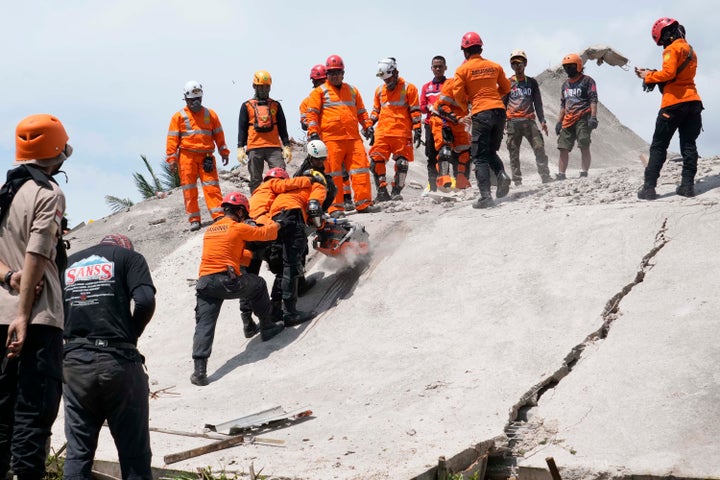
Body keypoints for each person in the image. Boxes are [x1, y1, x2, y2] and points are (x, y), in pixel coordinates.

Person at [0, 114, 70, 480]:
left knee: (2, 415)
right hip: (36, 321)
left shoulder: (6, 193)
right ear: (56, 153)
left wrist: (9, 279)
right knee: (33, 415)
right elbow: (37, 254)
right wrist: (24, 314)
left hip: (0, 314)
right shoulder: (48, 194)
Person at [61, 234, 156, 480]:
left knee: (78, 452)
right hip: (118, 362)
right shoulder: (130, 258)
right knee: (134, 452)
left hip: (73, 365)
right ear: (125, 248)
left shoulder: (68, 263)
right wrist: (130, 336)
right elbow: (145, 301)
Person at [192, 192, 285, 386]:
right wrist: (277, 224)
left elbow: (230, 253)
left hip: (205, 283)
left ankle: (199, 372)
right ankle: (267, 327)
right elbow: (264, 234)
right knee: (258, 285)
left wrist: (249, 255)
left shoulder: (210, 230)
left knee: (204, 325)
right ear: (241, 210)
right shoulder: (237, 227)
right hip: (226, 281)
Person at [248, 168, 327, 326]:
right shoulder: (317, 186)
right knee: (291, 265)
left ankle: (275, 311)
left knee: (282, 267)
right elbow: (313, 207)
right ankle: (290, 313)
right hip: (292, 216)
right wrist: (321, 225)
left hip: (273, 222)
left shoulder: (281, 193)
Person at [636, 17, 703, 200]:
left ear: (664, 36)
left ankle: (649, 189)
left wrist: (648, 76)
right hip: (693, 102)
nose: (662, 45)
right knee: (689, 145)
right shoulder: (690, 50)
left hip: (673, 104)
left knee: (659, 146)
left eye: (661, 41)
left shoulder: (671, 49)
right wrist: (651, 74)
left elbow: (668, 73)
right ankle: (687, 186)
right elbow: (677, 75)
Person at [305, 54, 381, 216]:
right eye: (331, 72)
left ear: (343, 73)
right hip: (331, 140)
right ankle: (334, 207)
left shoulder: (352, 91)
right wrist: (313, 134)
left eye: (337, 72)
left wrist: (368, 126)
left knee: (360, 170)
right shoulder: (319, 92)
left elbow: (361, 112)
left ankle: (363, 203)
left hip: (353, 139)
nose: (334, 75)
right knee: (333, 174)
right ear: (327, 74)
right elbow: (312, 115)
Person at [451, 32, 512, 209]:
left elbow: (457, 94)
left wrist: (466, 108)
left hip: (481, 113)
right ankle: (501, 175)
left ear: (465, 51)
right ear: (481, 48)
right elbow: (506, 87)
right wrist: (494, 98)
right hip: (499, 112)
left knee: (478, 157)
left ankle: (485, 196)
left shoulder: (462, 70)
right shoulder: (494, 66)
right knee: (490, 151)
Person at [166, 81, 230, 231]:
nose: (196, 102)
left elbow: (218, 134)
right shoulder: (179, 117)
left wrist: (224, 151)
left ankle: (218, 215)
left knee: (212, 187)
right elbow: (172, 139)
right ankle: (194, 219)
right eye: (192, 100)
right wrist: (171, 158)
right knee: (189, 189)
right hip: (186, 157)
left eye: (198, 99)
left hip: (206, 156)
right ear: (186, 99)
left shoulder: (210, 114)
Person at [300, 65, 354, 211]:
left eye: (322, 80)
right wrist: (312, 125)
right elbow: (304, 121)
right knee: (323, 172)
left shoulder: (336, 96)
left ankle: (347, 198)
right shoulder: (308, 100)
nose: (321, 84)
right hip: (318, 142)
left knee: (341, 171)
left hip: (336, 139)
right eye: (318, 82)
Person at [368, 57, 422, 202]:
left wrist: (417, 128)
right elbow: (375, 111)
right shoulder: (379, 91)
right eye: (385, 80)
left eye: (389, 79)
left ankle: (396, 192)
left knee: (402, 163)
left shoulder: (409, 88)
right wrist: (369, 125)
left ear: (396, 72)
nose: (387, 83)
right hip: (382, 132)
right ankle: (381, 191)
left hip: (401, 132)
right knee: (375, 161)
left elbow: (415, 111)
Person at [237, 70, 293, 193]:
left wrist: (286, 145)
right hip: (254, 147)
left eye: (267, 86)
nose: (264, 90)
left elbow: (283, 127)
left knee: (280, 176)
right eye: (261, 87)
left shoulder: (275, 105)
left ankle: (279, 203)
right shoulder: (246, 106)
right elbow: (242, 128)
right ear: (254, 86)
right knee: (256, 179)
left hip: (274, 147)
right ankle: (257, 206)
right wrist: (240, 147)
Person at [504, 50, 553, 185]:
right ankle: (517, 181)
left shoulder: (532, 82)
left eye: (520, 63)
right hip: (513, 122)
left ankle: (545, 176)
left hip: (529, 121)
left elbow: (537, 102)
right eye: (514, 63)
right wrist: (503, 122)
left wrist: (542, 120)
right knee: (513, 152)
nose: (517, 66)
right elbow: (503, 103)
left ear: (525, 64)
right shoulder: (508, 83)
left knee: (539, 148)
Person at [554, 54, 598, 180]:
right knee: (563, 147)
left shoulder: (588, 81)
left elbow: (593, 99)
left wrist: (593, 117)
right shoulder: (565, 85)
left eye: (571, 66)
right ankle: (561, 174)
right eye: (566, 67)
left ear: (579, 66)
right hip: (567, 120)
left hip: (583, 116)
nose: (568, 69)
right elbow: (563, 104)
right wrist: (559, 122)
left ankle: (584, 172)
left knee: (584, 144)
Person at [432, 76, 473, 190]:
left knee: (465, 151)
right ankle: (443, 179)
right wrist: (457, 118)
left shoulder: (475, 86)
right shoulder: (451, 84)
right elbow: (441, 106)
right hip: (443, 119)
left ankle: (461, 180)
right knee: (445, 149)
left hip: (462, 120)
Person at [420, 56, 449, 191]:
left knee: (446, 154)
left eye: (440, 66)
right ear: (431, 68)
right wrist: (431, 108)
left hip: (446, 123)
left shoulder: (450, 84)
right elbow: (422, 106)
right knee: (431, 156)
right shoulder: (426, 87)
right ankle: (433, 187)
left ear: (445, 68)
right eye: (435, 66)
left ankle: (446, 183)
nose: (438, 69)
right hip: (429, 124)